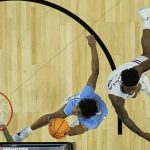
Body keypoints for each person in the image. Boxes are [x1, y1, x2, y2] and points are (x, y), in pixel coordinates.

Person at [13, 35, 108, 142]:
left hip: (102, 112)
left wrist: (65, 130)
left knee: (72, 128)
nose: (74, 111)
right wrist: (93, 46)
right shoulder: (85, 94)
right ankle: (27, 131)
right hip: (87, 102)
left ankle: (76, 122)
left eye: (78, 113)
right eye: (77, 108)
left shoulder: (92, 122)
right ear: (80, 102)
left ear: (84, 117)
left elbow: (78, 130)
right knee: (55, 116)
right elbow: (95, 72)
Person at [107, 7, 150, 141]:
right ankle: (143, 87)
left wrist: (135, 88)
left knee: (147, 54)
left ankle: (147, 18)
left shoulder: (138, 69)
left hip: (128, 70)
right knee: (135, 94)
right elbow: (125, 118)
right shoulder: (116, 99)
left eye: (133, 87)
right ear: (123, 84)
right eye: (128, 88)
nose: (130, 90)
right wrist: (142, 134)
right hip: (117, 76)